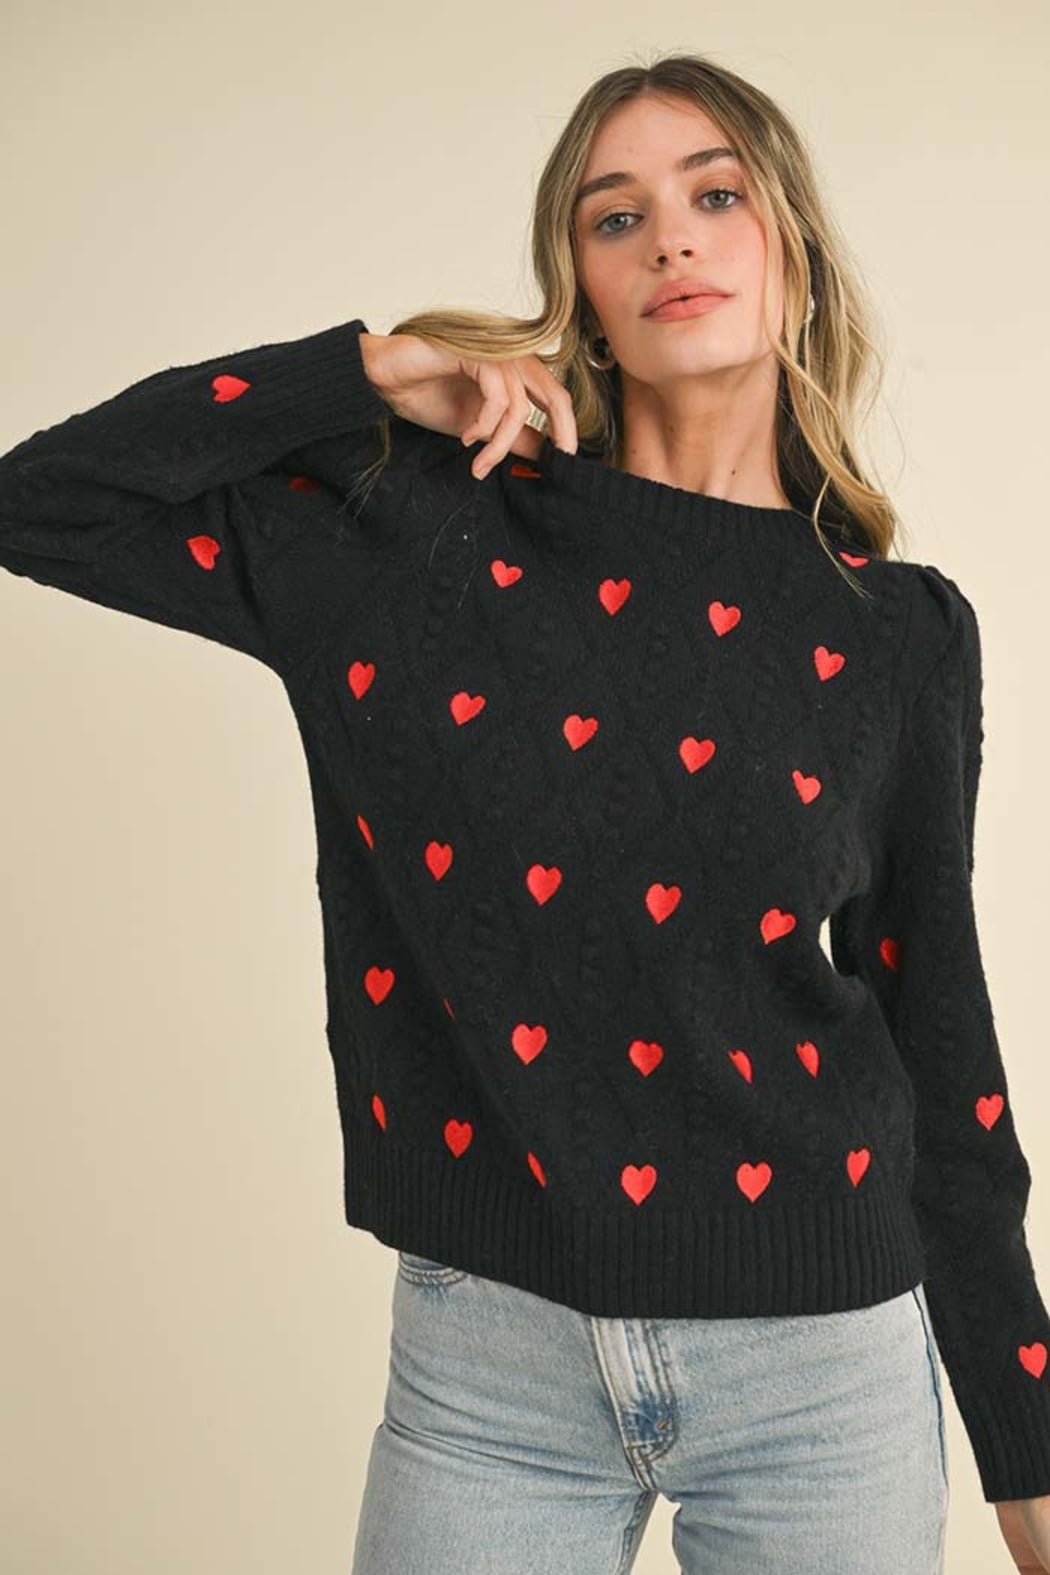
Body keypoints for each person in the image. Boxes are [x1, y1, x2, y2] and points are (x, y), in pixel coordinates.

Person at [3, 49, 1049, 1575]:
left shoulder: (895, 633)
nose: (670, 238)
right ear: (579, 288)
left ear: (794, 250)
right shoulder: (411, 534)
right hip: (490, 1369)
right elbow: (39, 501)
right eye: (614, 216)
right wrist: (366, 371)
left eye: (714, 197)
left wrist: (1023, 1434)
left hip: (823, 1368)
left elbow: (935, 1024)